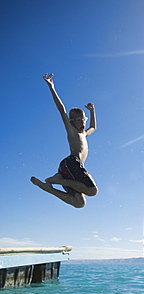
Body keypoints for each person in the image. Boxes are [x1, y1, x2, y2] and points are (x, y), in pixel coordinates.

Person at [31, 73, 98, 208]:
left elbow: (93, 127)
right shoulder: (72, 131)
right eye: (78, 120)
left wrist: (92, 111)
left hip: (73, 168)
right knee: (92, 190)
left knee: (80, 203)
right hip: (71, 163)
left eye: (83, 120)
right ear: (71, 122)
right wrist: (51, 87)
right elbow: (61, 110)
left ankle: (49, 188)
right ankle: (58, 180)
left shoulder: (84, 134)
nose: (82, 123)